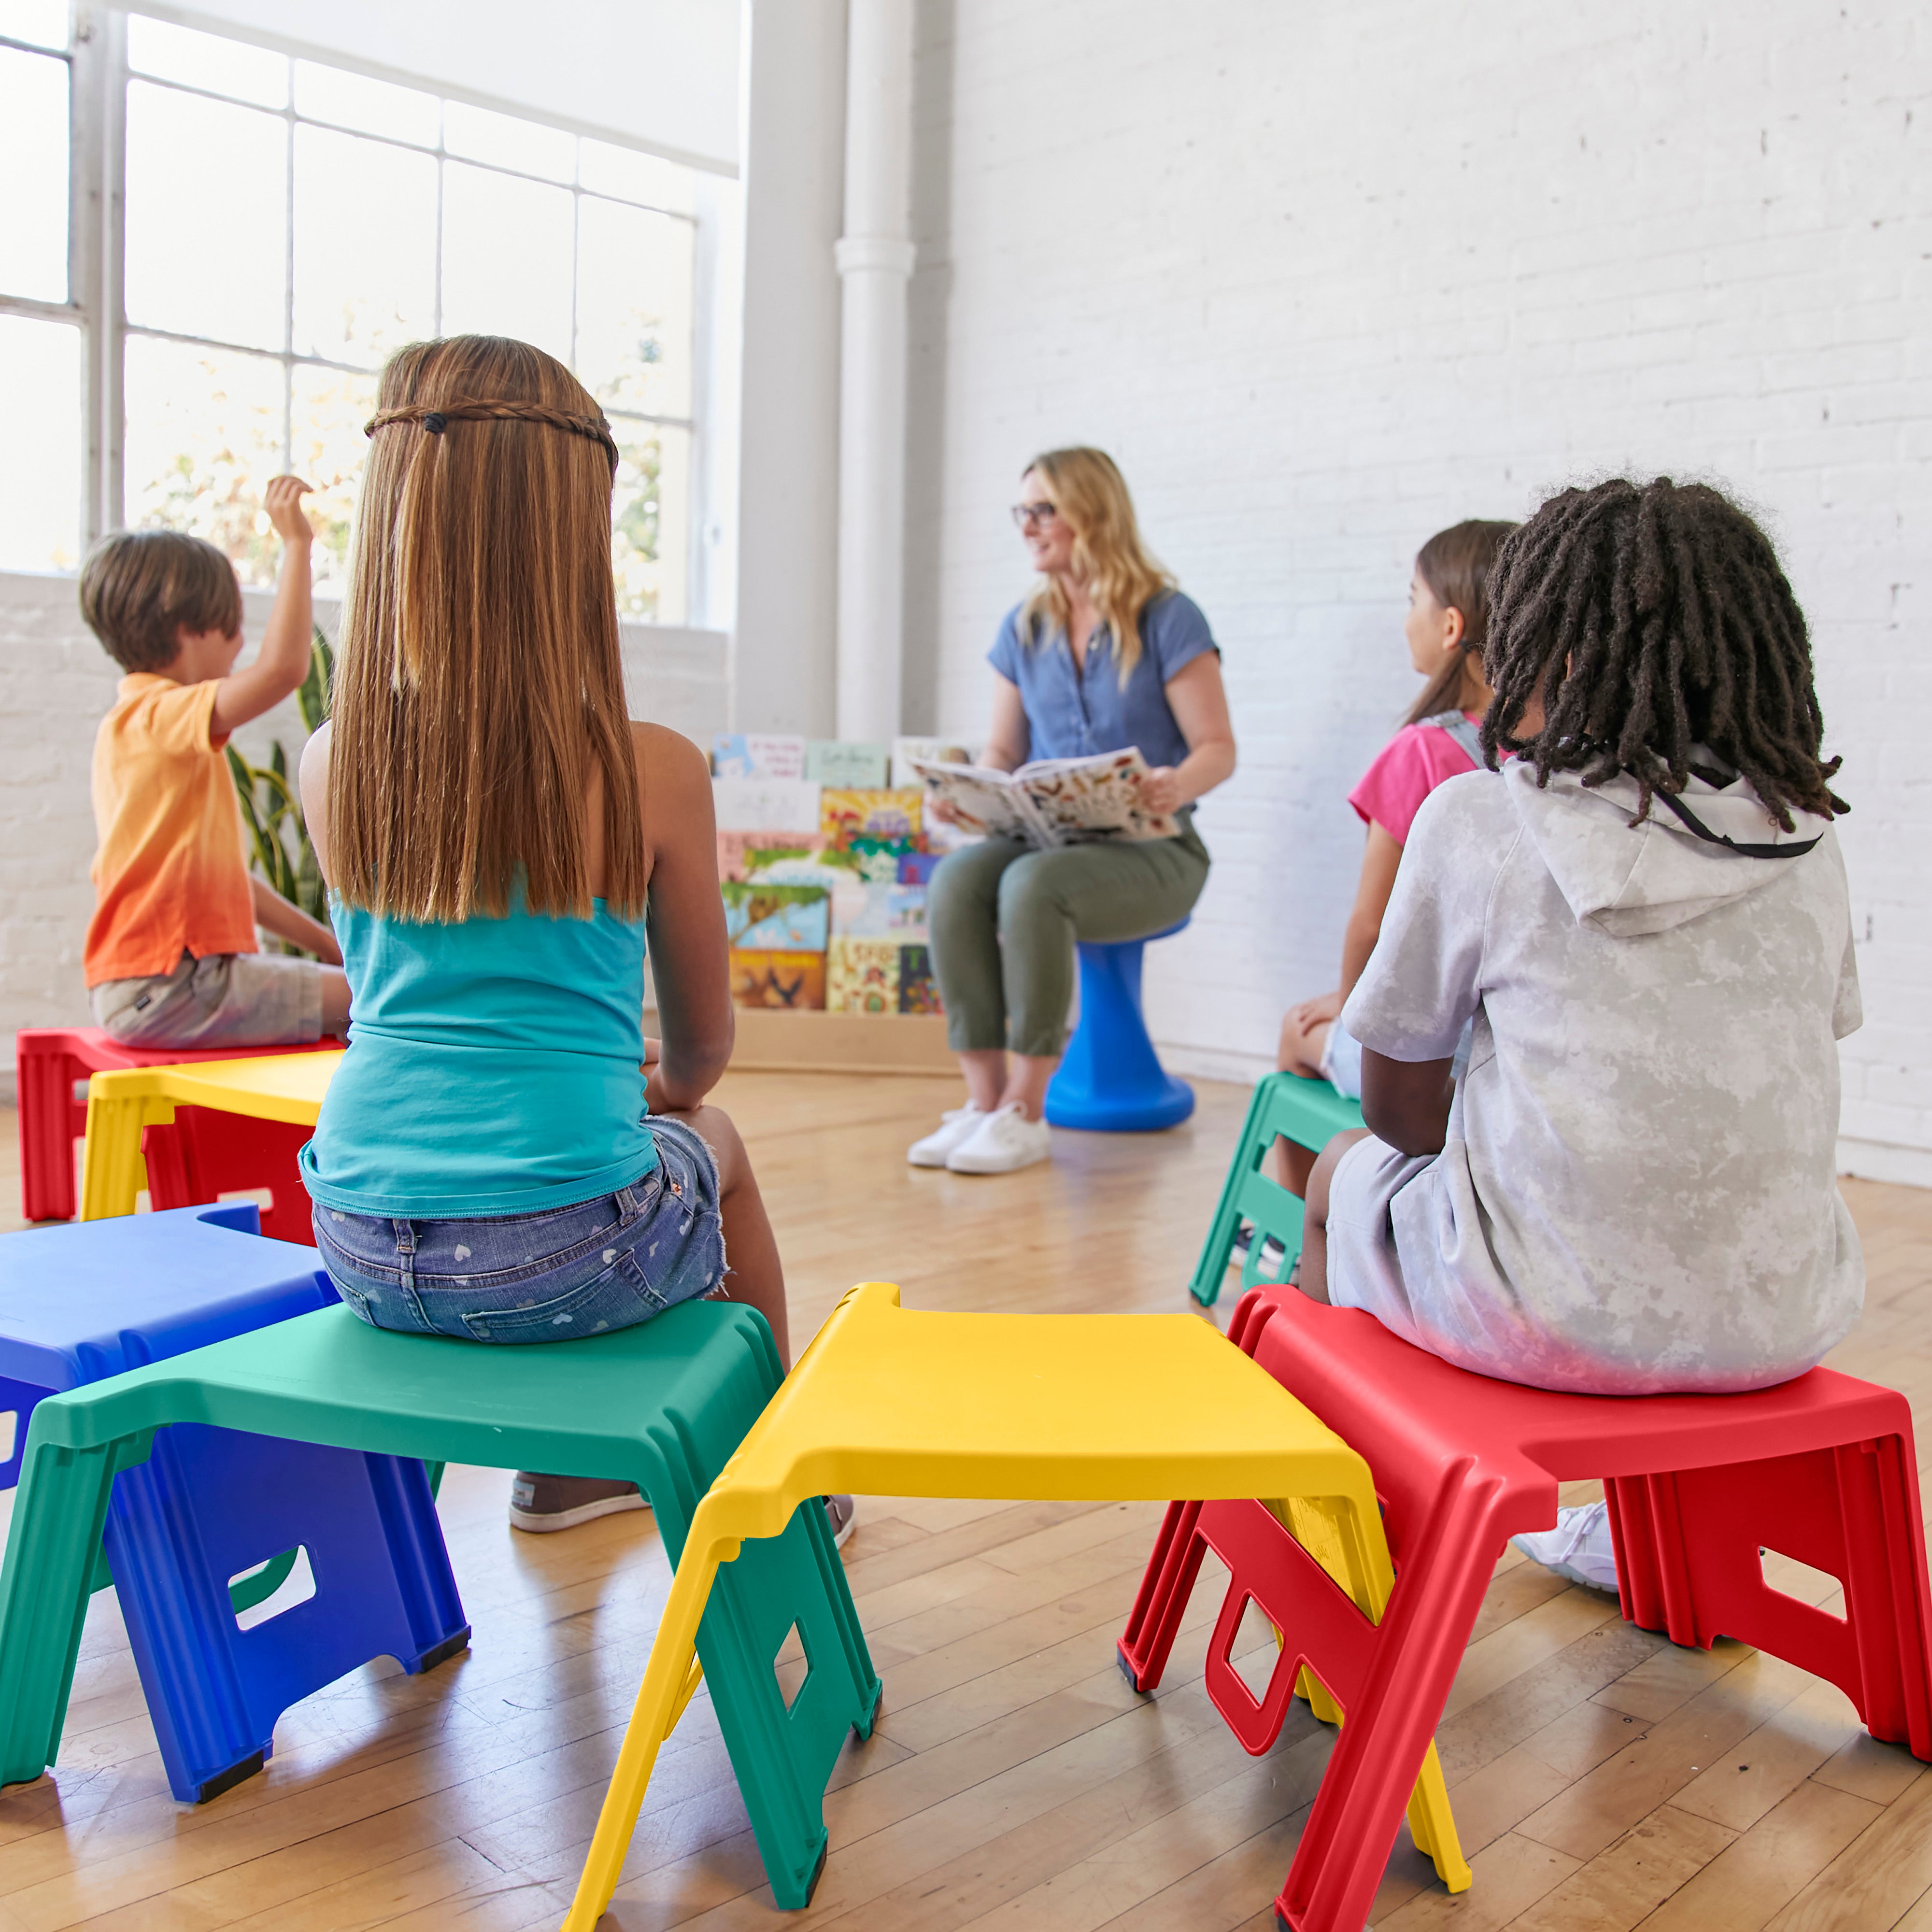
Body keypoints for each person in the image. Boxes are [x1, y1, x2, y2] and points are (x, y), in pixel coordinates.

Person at [297, 334, 848, 1545]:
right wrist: (653, 1085)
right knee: (715, 1139)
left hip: (355, 1241)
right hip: (561, 1257)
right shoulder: (650, 767)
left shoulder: (331, 760)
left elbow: (402, 987)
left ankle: (570, 1471)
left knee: (591, 1174)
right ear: (573, 539)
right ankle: (773, 1474)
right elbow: (702, 1050)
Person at [1295, 477, 1863, 1591]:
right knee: (1667, 1211)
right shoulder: (1804, 839)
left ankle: (1347, 1532)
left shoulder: (1484, 815)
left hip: (1540, 1318)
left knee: (1334, 1173)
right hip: (1786, 1308)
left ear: (1546, 641)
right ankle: (1629, 1531)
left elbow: (1396, 1110)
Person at [912, 447, 1237, 1175]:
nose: (1027, 525)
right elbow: (1003, 750)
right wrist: (971, 791)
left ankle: (1028, 1108)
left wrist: (1174, 784)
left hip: (1158, 853)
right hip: (1054, 841)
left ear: (1092, 512)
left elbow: (1217, 748)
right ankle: (986, 1103)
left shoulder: (1168, 617)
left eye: (1043, 509)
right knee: (958, 881)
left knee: (1033, 886)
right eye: (1021, 511)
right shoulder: (1024, 627)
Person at [1272, 520, 1515, 1194]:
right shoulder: (1551, 762)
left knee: (1298, 1031)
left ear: (1450, 625)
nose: (1406, 616)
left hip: (1429, 1071)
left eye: (1413, 598)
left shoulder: (1421, 752)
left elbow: (1372, 925)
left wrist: (1350, 1005)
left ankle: (1288, 1231)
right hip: (1513, 1059)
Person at [79, 493, 349, 1049]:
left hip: (146, 985)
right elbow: (283, 672)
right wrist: (298, 544)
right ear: (182, 629)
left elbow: (230, 881)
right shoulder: (158, 714)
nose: (241, 643)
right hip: (178, 984)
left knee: (350, 987)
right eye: (229, 628)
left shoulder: (131, 729)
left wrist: (329, 943)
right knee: (370, 1004)